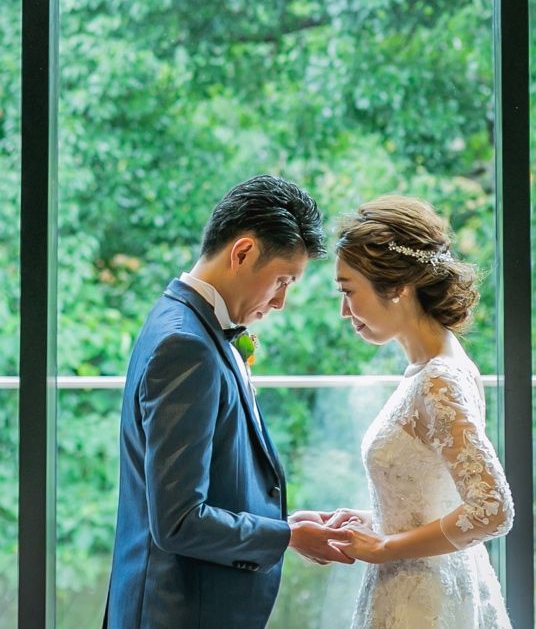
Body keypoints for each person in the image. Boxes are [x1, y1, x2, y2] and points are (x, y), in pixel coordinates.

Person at [104, 174, 355, 629]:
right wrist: (288, 536)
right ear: (242, 252)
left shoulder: (181, 320)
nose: (280, 302)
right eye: (282, 280)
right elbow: (179, 521)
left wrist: (284, 523)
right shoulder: (185, 345)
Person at [300, 195, 513, 629]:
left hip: (424, 600)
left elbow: (492, 508)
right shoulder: (428, 370)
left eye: (348, 291)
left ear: (397, 287)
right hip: (417, 587)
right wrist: (371, 524)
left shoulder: (439, 379)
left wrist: (385, 548)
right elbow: (435, 500)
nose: (344, 311)